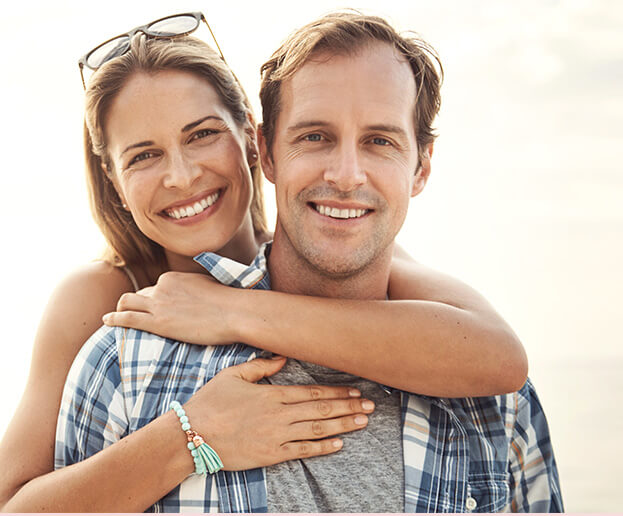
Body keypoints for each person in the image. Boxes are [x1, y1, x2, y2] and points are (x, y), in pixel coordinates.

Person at [0, 13, 526, 514]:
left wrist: (232, 309)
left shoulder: (340, 245)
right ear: (113, 179)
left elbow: (496, 357)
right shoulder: (109, 303)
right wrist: (189, 437)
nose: (181, 177)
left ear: (252, 143)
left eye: (202, 134)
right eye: (143, 155)